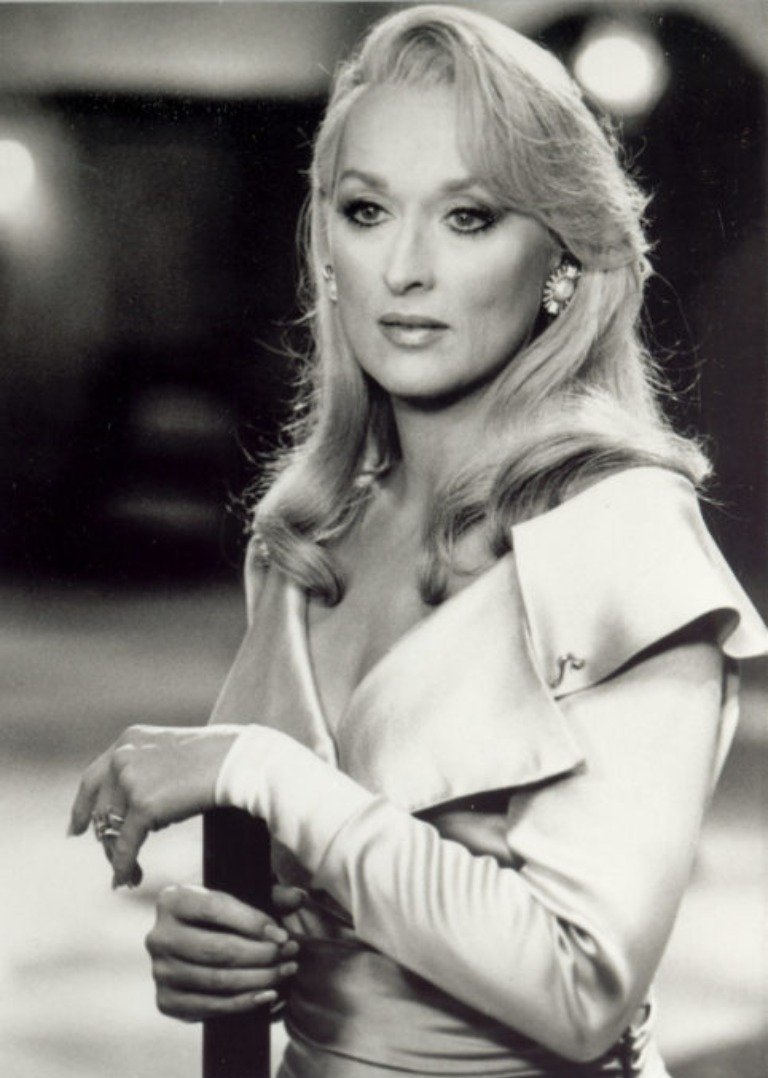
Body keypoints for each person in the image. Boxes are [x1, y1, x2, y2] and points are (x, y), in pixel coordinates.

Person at [69, 6, 768, 1076]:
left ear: (562, 259)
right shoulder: (306, 539)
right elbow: (319, 907)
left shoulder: (623, 538)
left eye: (468, 218)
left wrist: (260, 770)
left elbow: (581, 989)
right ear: (328, 248)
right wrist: (218, 953)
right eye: (367, 210)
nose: (404, 268)